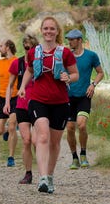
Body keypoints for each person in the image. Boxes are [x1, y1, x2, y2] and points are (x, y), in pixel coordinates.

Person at [17, 16, 78, 194]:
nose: (49, 32)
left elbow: (76, 74)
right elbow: (29, 71)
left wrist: (68, 77)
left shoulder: (64, 52)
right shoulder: (34, 52)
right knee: (42, 136)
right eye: (46, 29)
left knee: (55, 142)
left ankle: (50, 176)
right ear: (41, 31)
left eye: (52, 29)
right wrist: (22, 87)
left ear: (57, 31)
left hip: (60, 101)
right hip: (38, 99)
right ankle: (42, 177)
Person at [64, 29, 104, 169]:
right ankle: (74, 158)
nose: (69, 42)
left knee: (81, 124)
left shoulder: (91, 55)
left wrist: (93, 84)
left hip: (84, 96)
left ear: (79, 40)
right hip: (68, 97)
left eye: (72, 39)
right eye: (68, 39)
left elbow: (100, 73)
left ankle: (83, 154)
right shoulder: (67, 56)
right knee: (69, 128)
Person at [5, 34, 39, 184]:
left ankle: (44, 172)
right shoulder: (17, 63)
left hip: (38, 104)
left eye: (30, 47)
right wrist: (7, 103)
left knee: (37, 142)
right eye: (25, 47)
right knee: (26, 140)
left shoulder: (40, 63)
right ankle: (28, 173)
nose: (28, 50)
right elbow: (10, 85)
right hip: (21, 105)